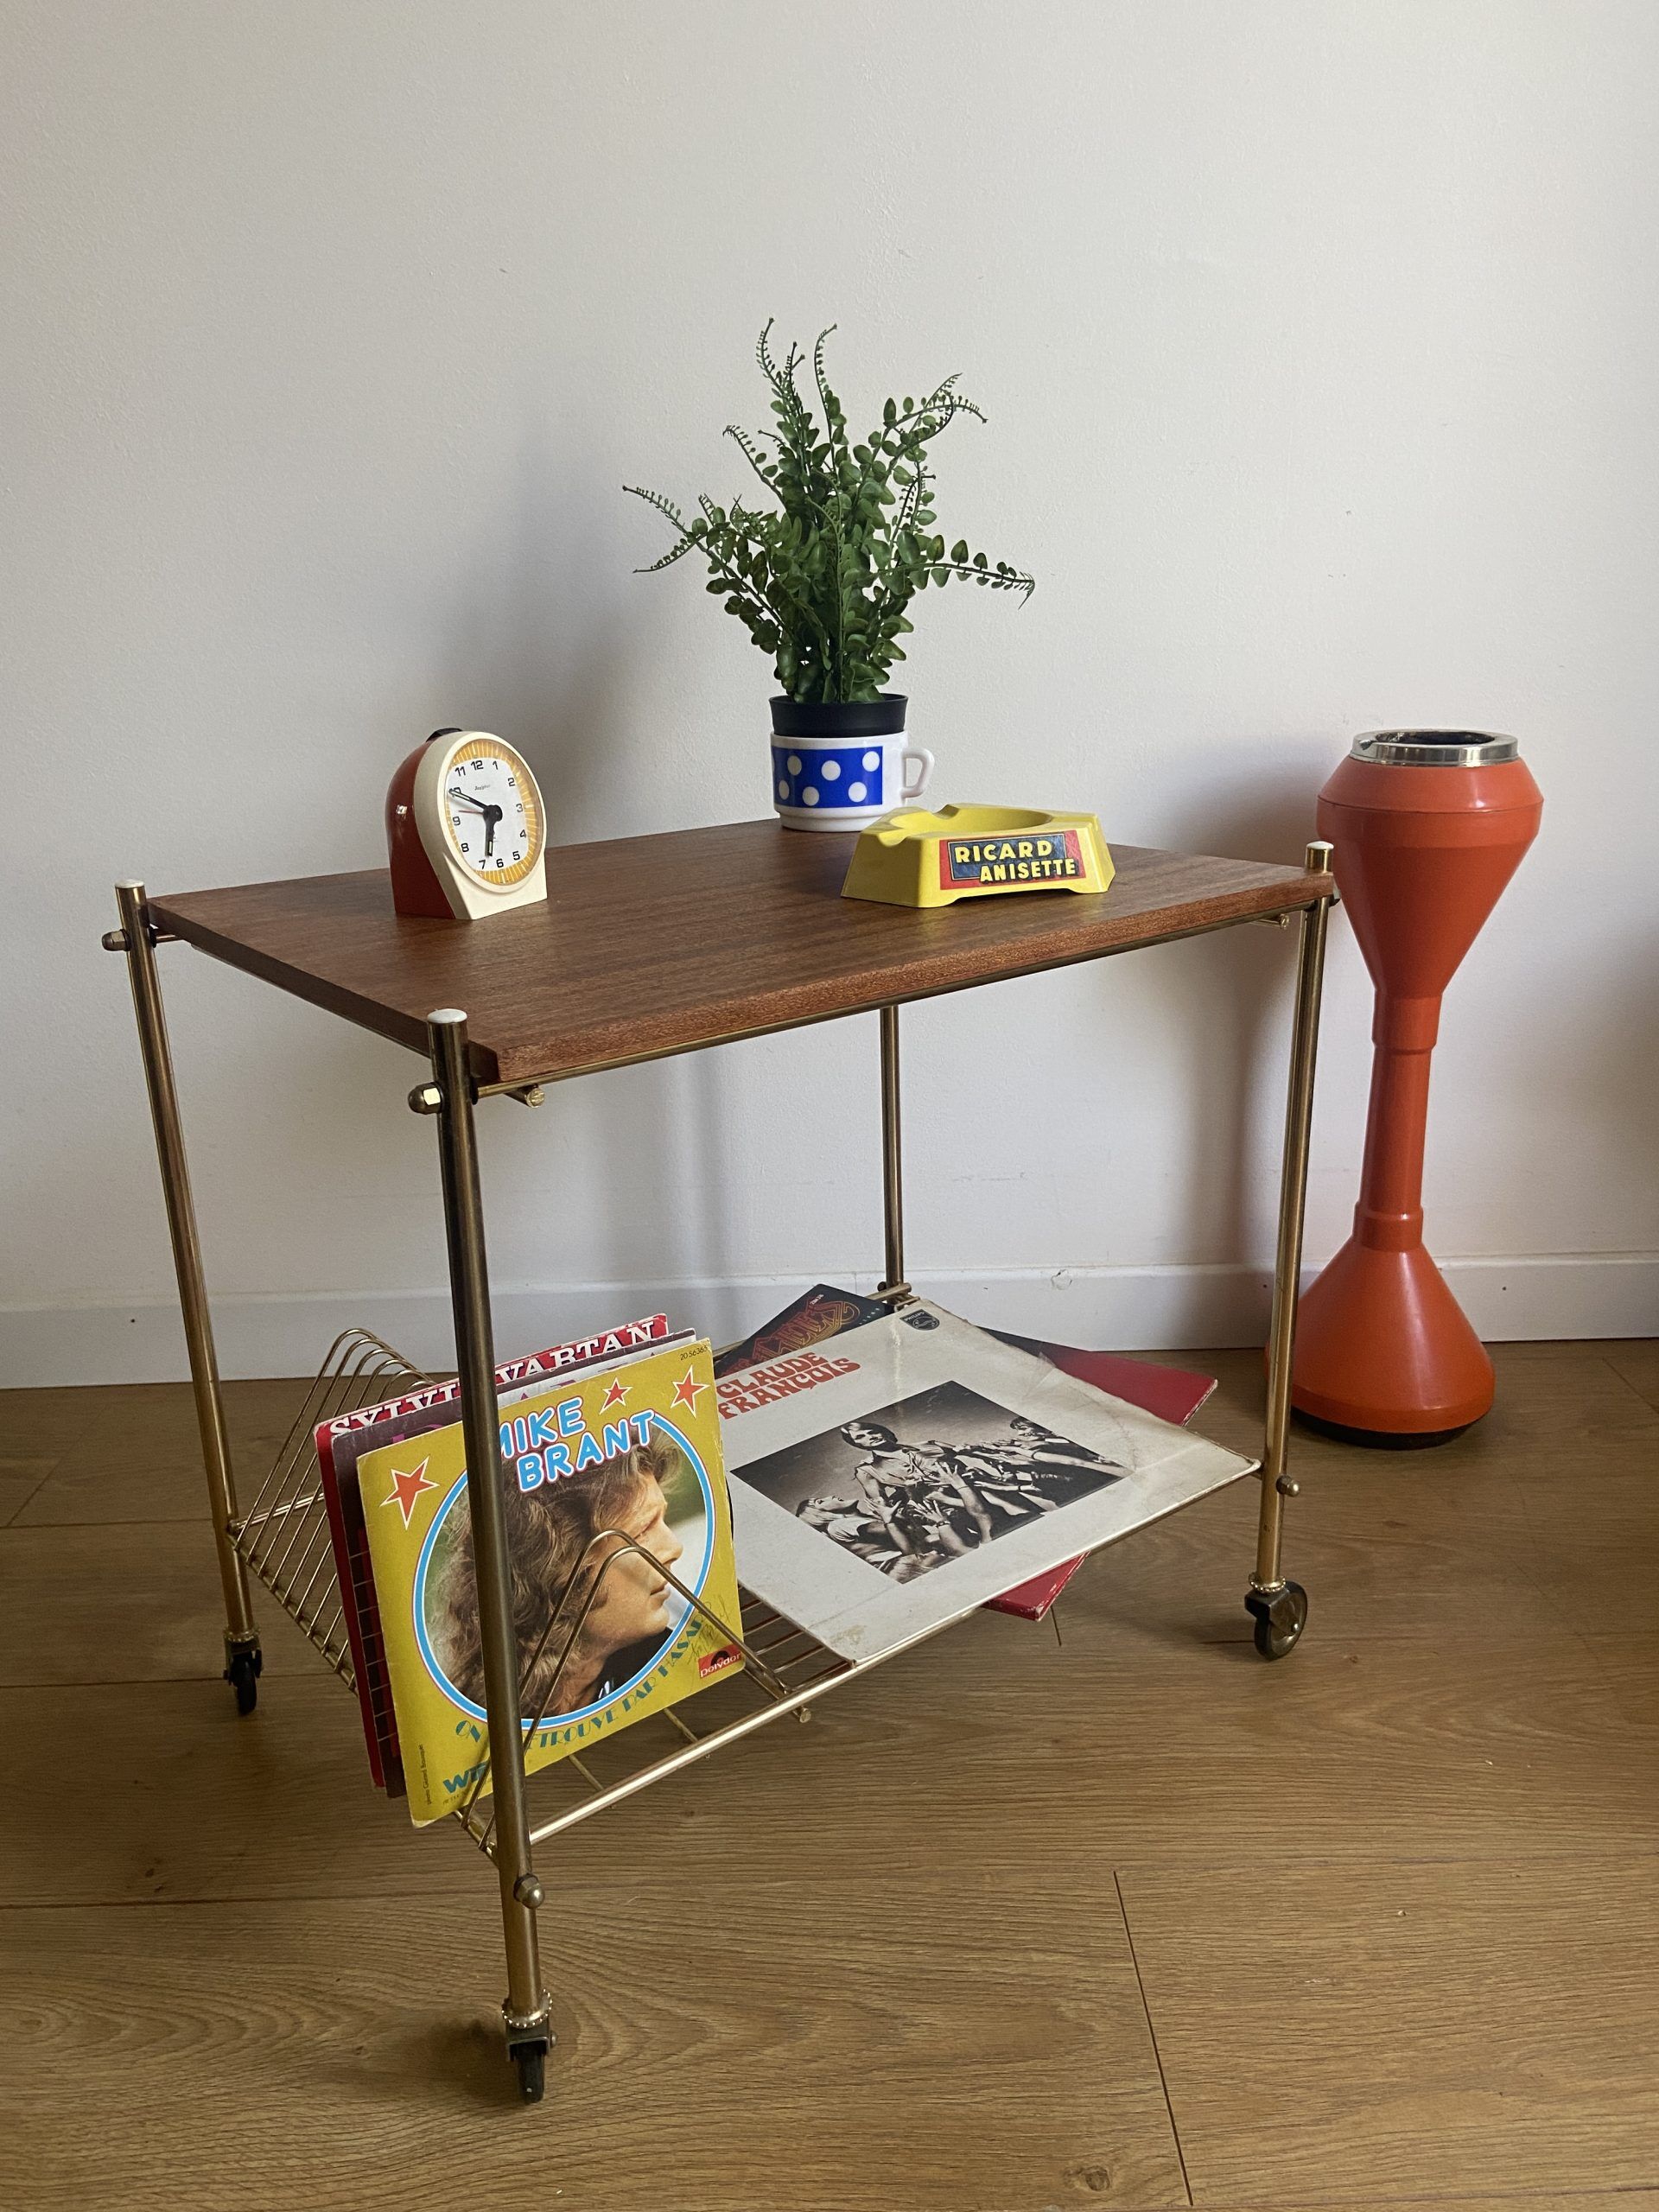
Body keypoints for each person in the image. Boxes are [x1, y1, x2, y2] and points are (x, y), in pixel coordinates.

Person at [435, 1432, 691, 1720]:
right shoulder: (471, 1712)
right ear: (560, 1567)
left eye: (663, 1520)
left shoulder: (675, 1663)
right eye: (642, 1531)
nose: (674, 1548)